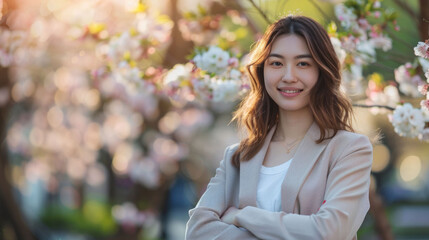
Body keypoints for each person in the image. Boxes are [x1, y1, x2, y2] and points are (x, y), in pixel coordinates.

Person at [185, 15, 373, 240]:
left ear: (322, 72)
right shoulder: (237, 157)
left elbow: (329, 232)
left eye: (303, 63)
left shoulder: (349, 150)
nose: (289, 76)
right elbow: (197, 231)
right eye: (276, 63)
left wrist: (243, 216)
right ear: (262, 71)